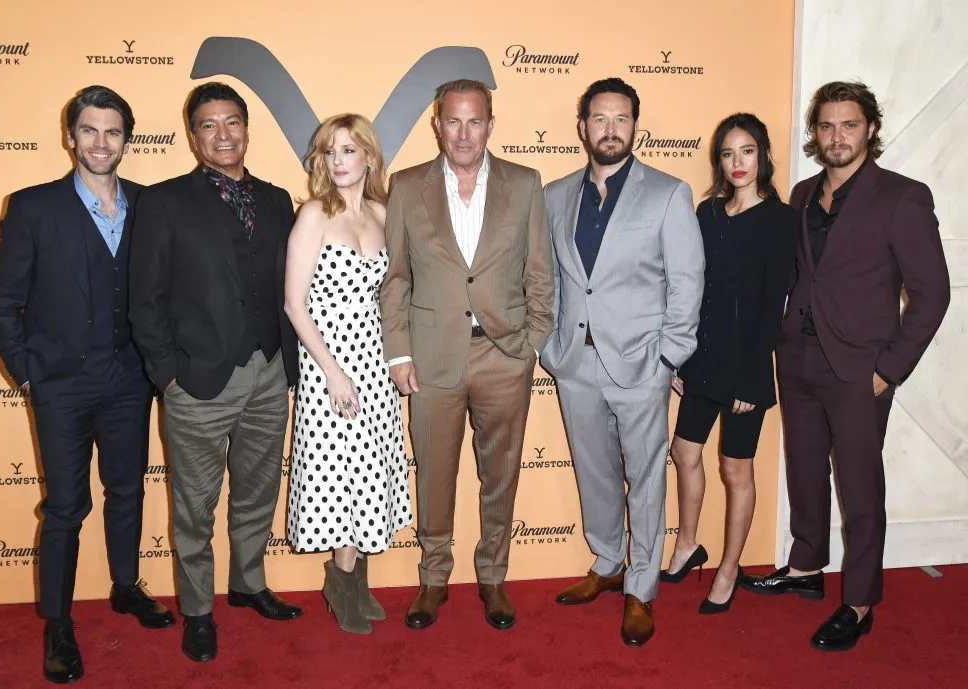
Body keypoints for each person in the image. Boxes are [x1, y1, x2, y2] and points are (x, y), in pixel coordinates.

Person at [741, 81, 950, 651]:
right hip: (798, 358)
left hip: (861, 369)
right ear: (816, 132)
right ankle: (806, 567)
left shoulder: (903, 197)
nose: (837, 136)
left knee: (859, 488)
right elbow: (795, 274)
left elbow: (932, 293)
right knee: (805, 470)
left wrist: (889, 369)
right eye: (827, 126)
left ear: (870, 129)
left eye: (849, 125)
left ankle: (859, 602)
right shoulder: (803, 194)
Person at [0, 85, 173, 685]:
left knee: (128, 490)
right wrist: (27, 372)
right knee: (66, 506)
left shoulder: (149, 204)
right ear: (71, 137)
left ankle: (125, 586)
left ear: (127, 139)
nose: (100, 142)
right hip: (60, 384)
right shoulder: (33, 207)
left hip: (128, 379)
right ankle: (59, 623)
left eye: (112, 131)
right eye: (89, 130)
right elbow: (4, 301)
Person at [128, 82, 303, 663]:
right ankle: (198, 610)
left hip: (270, 371)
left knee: (257, 490)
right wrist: (167, 375)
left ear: (247, 129)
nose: (223, 134)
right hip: (197, 381)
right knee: (194, 505)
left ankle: (248, 582)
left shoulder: (277, 199)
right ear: (193, 134)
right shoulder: (163, 202)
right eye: (209, 124)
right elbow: (144, 299)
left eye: (232, 122)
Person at [379, 79, 554, 631]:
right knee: (434, 473)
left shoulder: (524, 183)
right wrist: (398, 354)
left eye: (474, 121)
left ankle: (493, 576)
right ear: (437, 124)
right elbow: (395, 278)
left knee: (500, 475)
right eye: (452, 121)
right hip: (432, 359)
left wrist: (531, 344)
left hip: (505, 354)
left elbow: (541, 273)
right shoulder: (406, 186)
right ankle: (433, 578)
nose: (462, 133)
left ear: (490, 125)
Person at [541, 77, 704, 646]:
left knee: (646, 479)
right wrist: (549, 347)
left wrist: (669, 357)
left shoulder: (668, 193)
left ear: (635, 126)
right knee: (595, 473)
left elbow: (687, 282)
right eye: (600, 118)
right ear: (582, 127)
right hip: (574, 363)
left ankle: (641, 586)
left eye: (621, 119)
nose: (610, 129)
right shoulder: (555, 195)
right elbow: (548, 280)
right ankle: (608, 561)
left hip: (642, 364)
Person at [660, 113, 798, 614]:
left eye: (747, 151)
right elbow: (692, 289)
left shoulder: (781, 219)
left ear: (762, 155)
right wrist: (681, 356)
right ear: (718, 160)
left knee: (735, 467)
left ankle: (729, 567)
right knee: (684, 451)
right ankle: (687, 543)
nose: (737, 162)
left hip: (746, 365)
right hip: (702, 357)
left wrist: (753, 377)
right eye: (727, 153)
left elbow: (774, 303)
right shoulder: (708, 212)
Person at [283, 113, 413, 635]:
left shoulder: (382, 212)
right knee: (340, 474)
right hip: (328, 365)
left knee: (370, 470)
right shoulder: (315, 214)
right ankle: (341, 584)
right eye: (329, 152)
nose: (337, 161)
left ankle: (355, 582)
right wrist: (333, 373)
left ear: (369, 157)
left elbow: (395, 292)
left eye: (348, 150)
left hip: (375, 362)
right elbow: (295, 306)